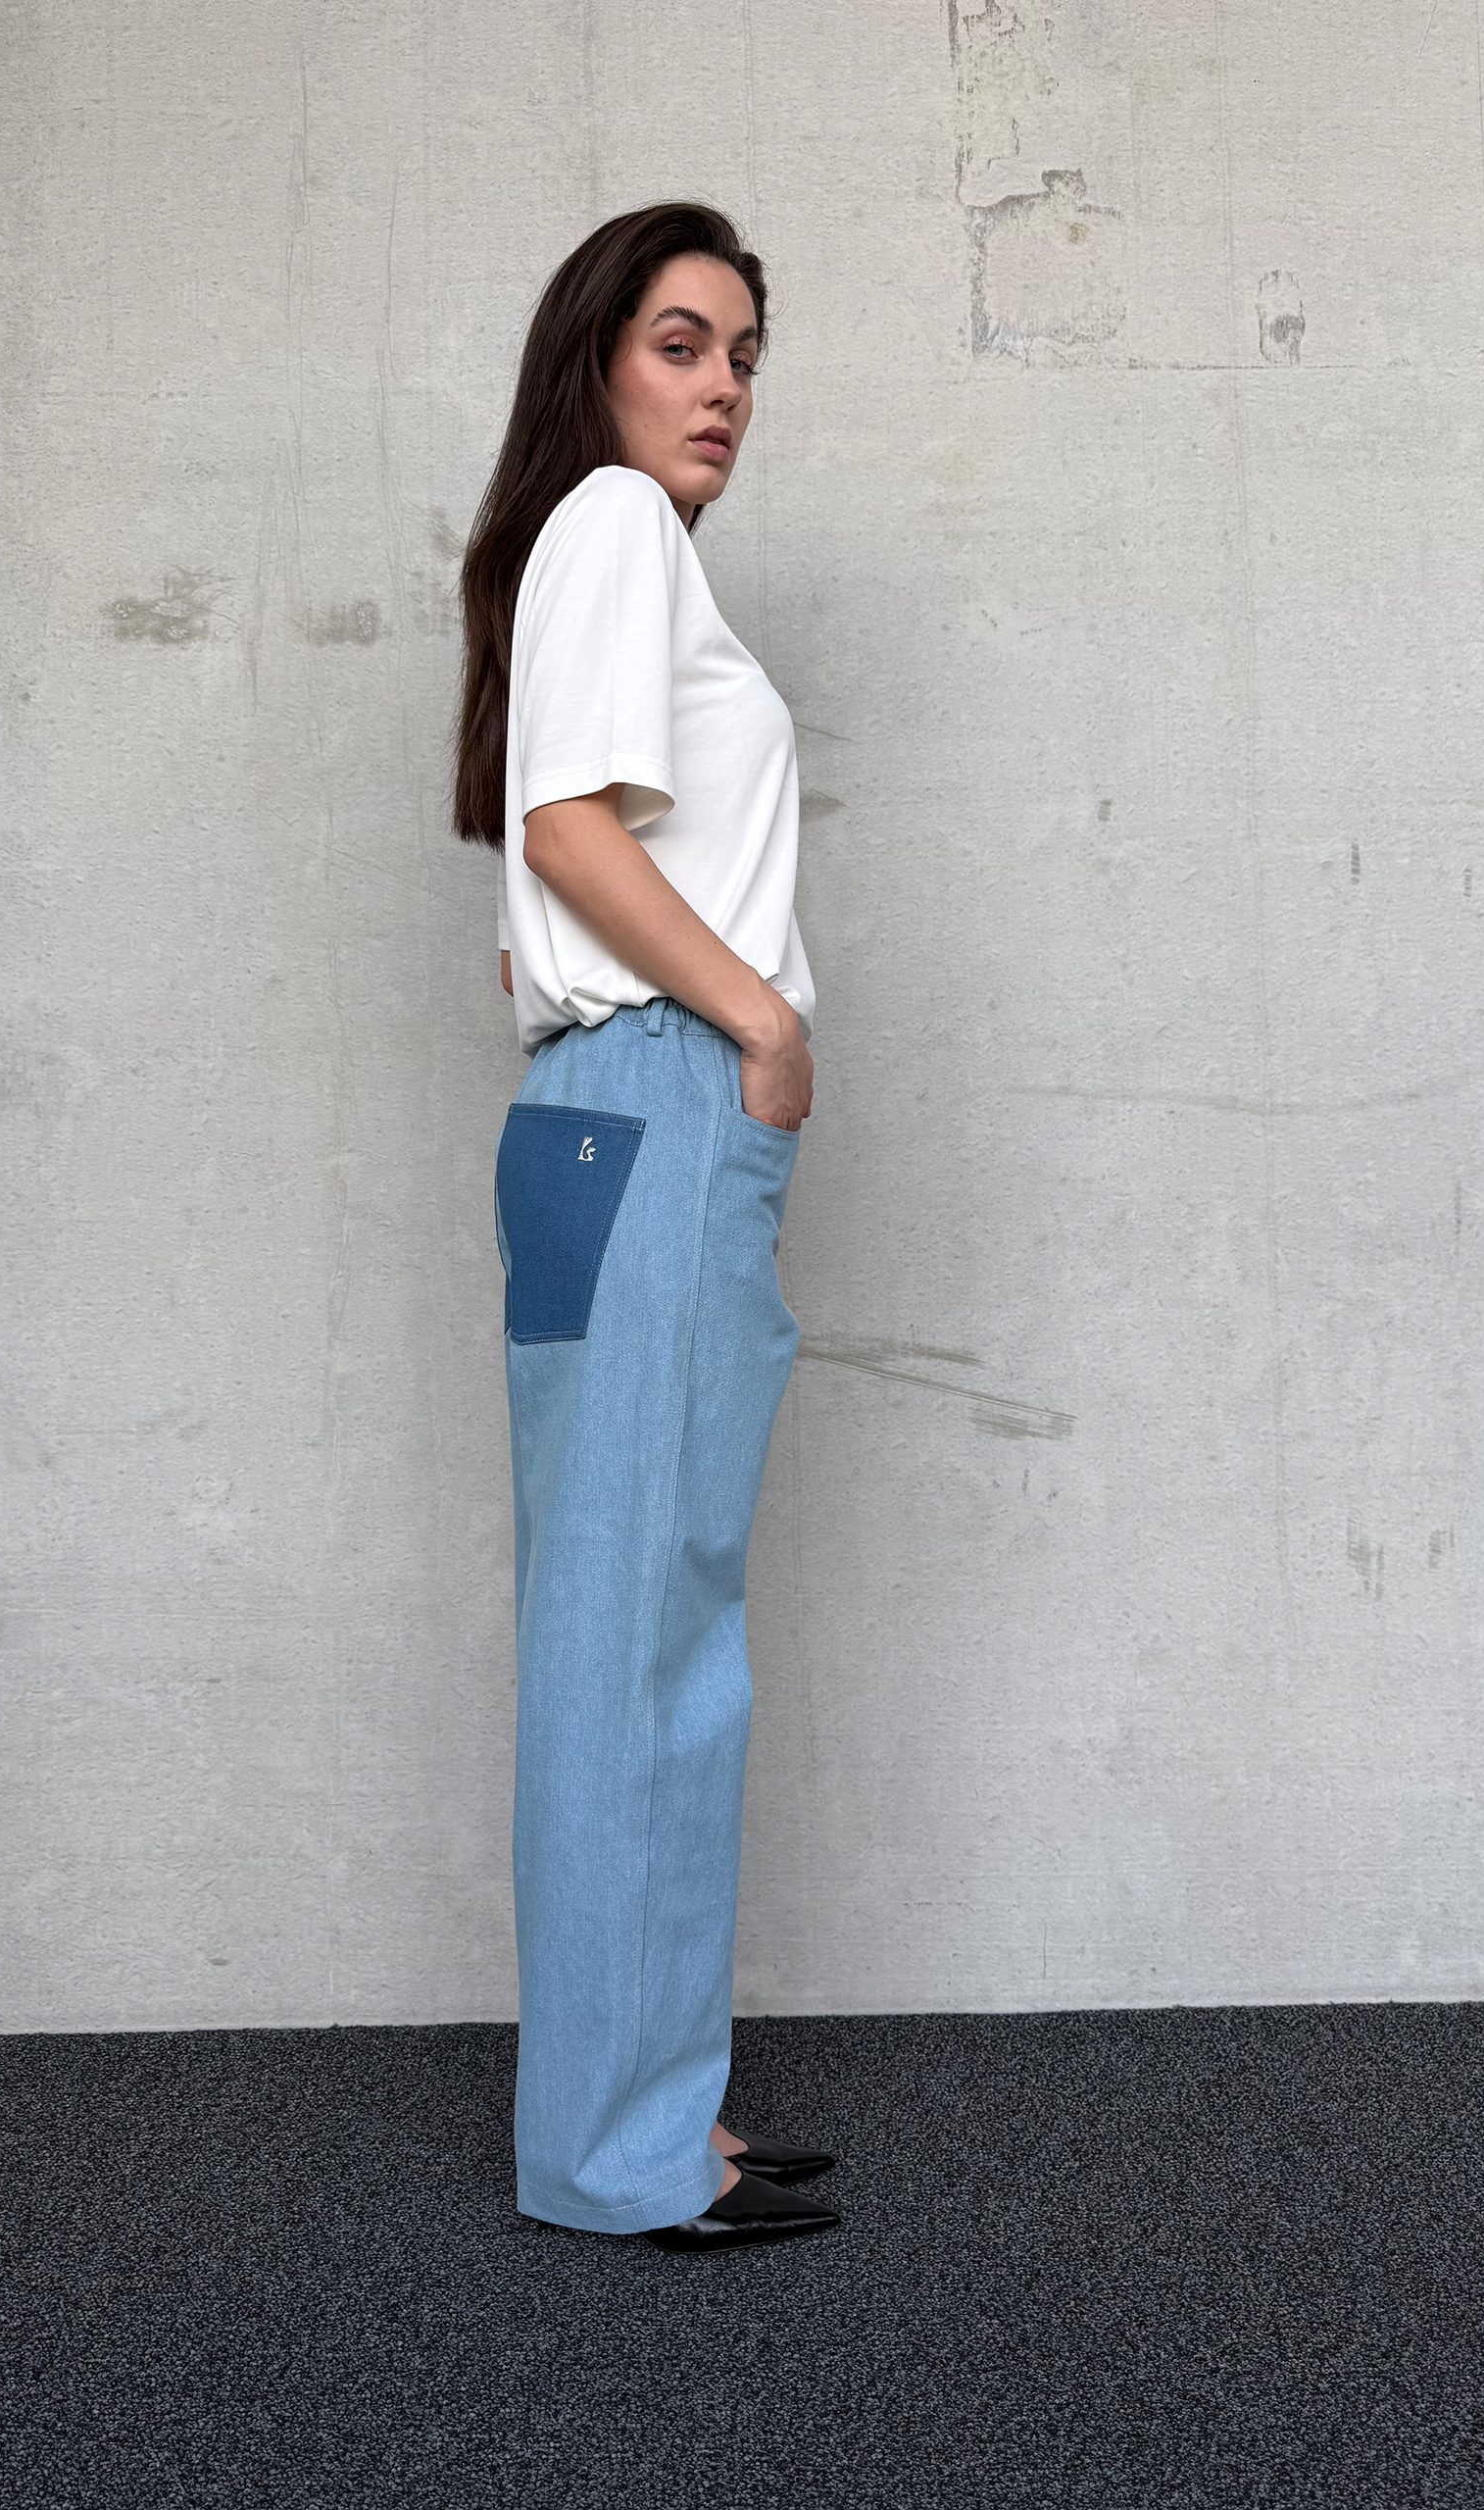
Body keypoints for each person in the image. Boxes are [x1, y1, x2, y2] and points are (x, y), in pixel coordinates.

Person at [453, 203, 840, 2253]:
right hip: (657, 1103)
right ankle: (618, 2150)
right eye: (682, 343)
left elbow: (548, 864)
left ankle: (653, 2111)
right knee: (639, 1640)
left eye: (745, 355)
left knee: (644, 1626)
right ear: (595, 358)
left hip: (609, 1119)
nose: (723, 390)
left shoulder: (604, 551)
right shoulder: (610, 522)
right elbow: (569, 832)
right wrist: (756, 1021)